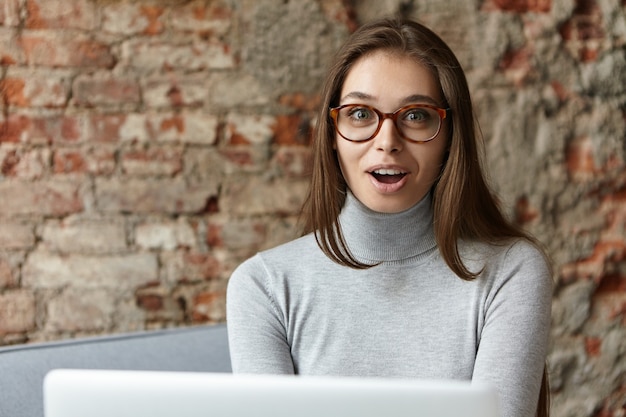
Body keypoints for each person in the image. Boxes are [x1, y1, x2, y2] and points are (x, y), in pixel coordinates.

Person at [226, 17, 552, 417]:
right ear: (331, 133)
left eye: (415, 115)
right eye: (361, 114)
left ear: (450, 136)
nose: (387, 143)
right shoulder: (264, 286)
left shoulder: (510, 271)